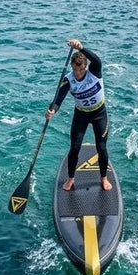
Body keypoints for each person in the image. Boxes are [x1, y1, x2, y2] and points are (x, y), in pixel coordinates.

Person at [46, 39, 111, 191]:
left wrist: (81, 48)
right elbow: (58, 99)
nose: (78, 73)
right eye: (75, 70)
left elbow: (96, 59)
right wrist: (52, 110)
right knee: (75, 147)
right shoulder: (68, 79)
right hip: (81, 115)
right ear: (72, 67)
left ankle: (103, 178)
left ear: (85, 66)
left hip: (99, 114)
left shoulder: (94, 71)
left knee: (101, 148)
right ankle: (70, 179)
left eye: (81, 69)